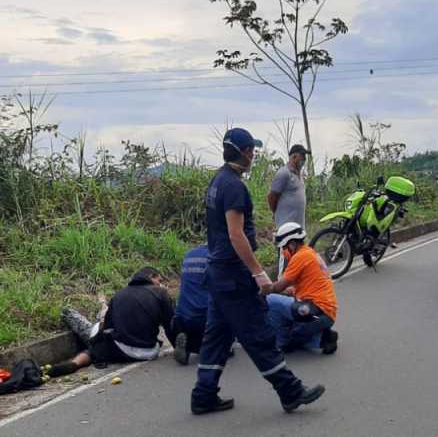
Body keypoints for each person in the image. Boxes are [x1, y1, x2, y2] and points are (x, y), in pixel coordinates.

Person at [191, 128, 325, 415]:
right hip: (234, 276)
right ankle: (290, 392)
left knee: (217, 337)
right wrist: (258, 272)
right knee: (258, 334)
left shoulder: (217, 181)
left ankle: (203, 395)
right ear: (245, 152)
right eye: (252, 150)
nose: (253, 156)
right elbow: (235, 234)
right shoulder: (234, 187)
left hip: (217, 275)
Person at [48, 267, 176, 377]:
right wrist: (178, 347)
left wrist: (95, 343)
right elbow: (170, 324)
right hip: (149, 351)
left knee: (93, 351)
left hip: (120, 350)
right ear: (151, 277)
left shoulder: (119, 295)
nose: (160, 284)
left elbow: (106, 327)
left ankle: (75, 363)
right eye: (159, 281)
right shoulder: (161, 293)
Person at [261, 222, 339, 355]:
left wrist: (261, 289)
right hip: (324, 314)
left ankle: (282, 342)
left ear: (292, 244)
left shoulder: (300, 257)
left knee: (270, 299)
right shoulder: (311, 253)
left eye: (284, 247)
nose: (283, 251)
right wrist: (286, 291)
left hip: (314, 313)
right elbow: (296, 288)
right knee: (295, 326)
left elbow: (278, 286)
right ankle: (322, 339)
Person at [268, 144, 310, 276]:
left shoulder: (298, 174)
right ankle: (279, 291)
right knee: (285, 263)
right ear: (294, 156)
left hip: (298, 229)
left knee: (296, 263)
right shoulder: (283, 174)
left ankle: (293, 292)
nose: (304, 160)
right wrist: (275, 212)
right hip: (286, 229)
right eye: (302, 157)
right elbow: (272, 196)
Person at [172, 245, 210, 366]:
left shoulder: (189, 255)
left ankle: (187, 346)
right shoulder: (217, 255)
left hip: (181, 316)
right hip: (205, 316)